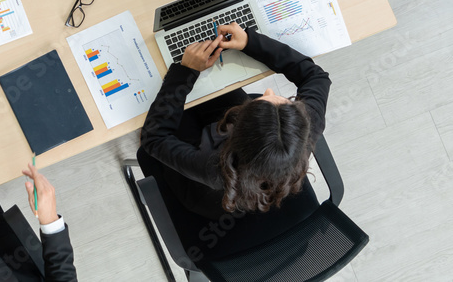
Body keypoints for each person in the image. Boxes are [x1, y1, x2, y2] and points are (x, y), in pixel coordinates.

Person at [138, 22, 330, 252]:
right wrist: (251, 42)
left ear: (236, 126)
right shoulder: (305, 126)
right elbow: (316, 77)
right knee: (207, 88)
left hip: (201, 187)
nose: (268, 91)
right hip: (253, 164)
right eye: (282, 101)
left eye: (263, 100)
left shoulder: (214, 170)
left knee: (163, 100)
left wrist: (186, 72)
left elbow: (154, 138)